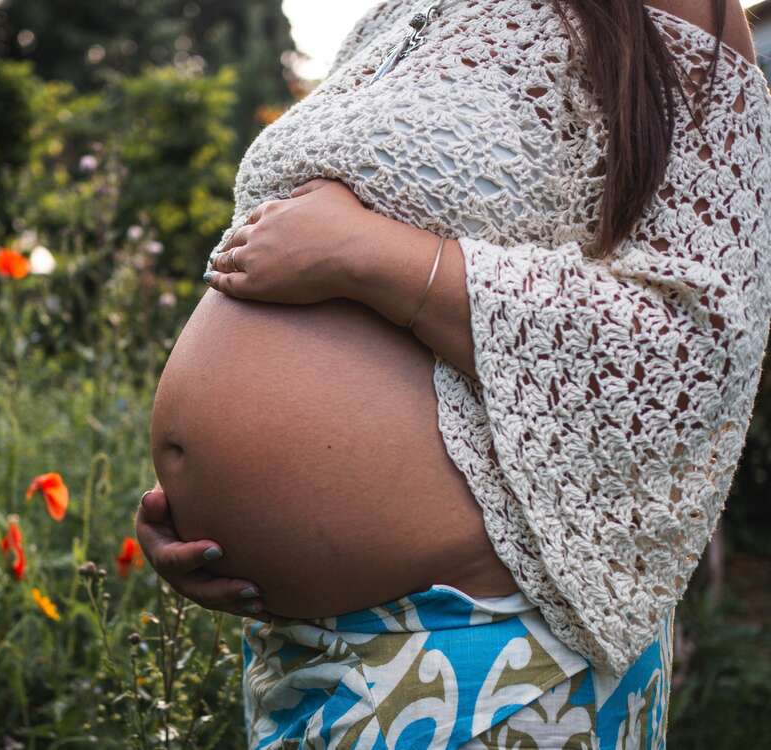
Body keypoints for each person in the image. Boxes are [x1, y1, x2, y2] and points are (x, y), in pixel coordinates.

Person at [137, 0, 771, 747]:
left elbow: (697, 347)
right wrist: (207, 505)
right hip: (298, 655)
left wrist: (374, 259)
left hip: (493, 657)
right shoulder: (396, 16)